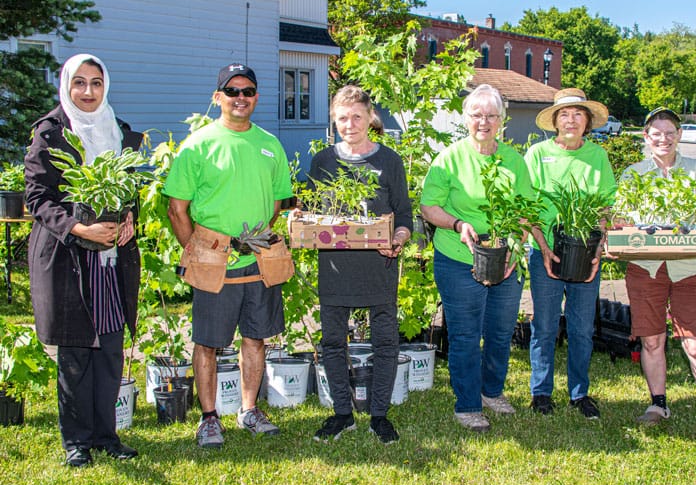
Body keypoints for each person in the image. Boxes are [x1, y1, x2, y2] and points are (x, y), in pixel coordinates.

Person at [164, 63, 293, 448]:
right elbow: (177, 209)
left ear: (256, 96)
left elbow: (276, 204)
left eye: (248, 91)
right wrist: (198, 249)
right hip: (212, 259)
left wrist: (252, 236)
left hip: (258, 258)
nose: (241, 98)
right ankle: (208, 418)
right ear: (218, 97)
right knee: (207, 342)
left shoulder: (270, 144)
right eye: (232, 91)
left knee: (256, 338)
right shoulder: (198, 145)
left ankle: (249, 409)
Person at [26, 54, 141, 467]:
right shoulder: (51, 133)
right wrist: (79, 227)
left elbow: (130, 190)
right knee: (76, 352)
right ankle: (76, 441)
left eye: (95, 83)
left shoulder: (119, 131)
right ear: (66, 86)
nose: (88, 92)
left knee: (109, 350)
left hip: (111, 260)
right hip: (68, 260)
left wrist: (129, 218)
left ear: (105, 86)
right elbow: (36, 198)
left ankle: (106, 436)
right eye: (79, 83)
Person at [420, 84, 534, 432]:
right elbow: (428, 207)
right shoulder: (450, 158)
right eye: (476, 114)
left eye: (491, 115)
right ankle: (467, 404)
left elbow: (525, 211)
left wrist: (516, 243)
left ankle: (491, 391)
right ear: (465, 118)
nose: (483, 121)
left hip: (505, 258)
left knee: (500, 332)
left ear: (501, 120)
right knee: (466, 334)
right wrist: (458, 224)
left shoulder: (513, 161)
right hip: (457, 257)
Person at [304, 86, 412, 444]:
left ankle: (379, 415)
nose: (349, 124)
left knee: (385, 341)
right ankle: (341, 413)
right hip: (336, 267)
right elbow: (314, 214)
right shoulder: (323, 162)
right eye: (342, 118)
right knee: (333, 342)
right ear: (334, 121)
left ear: (370, 118)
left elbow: (405, 216)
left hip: (378, 267)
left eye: (356, 117)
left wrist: (397, 240)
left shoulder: (389, 162)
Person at [620, 107, 696, 448]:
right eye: (656, 133)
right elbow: (622, 219)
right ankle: (658, 404)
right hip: (646, 268)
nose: (663, 139)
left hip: (691, 267)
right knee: (652, 340)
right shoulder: (633, 174)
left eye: (670, 133)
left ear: (679, 135)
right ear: (646, 137)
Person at [524, 88, 615, 419]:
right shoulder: (537, 155)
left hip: (586, 256)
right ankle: (541, 392)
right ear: (555, 121)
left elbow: (606, 205)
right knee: (545, 326)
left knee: (581, 328)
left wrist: (599, 248)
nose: (571, 120)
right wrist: (543, 246)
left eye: (578, 114)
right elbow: (527, 206)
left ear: (587, 121)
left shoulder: (597, 157)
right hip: (545, 253)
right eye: (564, 114)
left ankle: (580, 393)